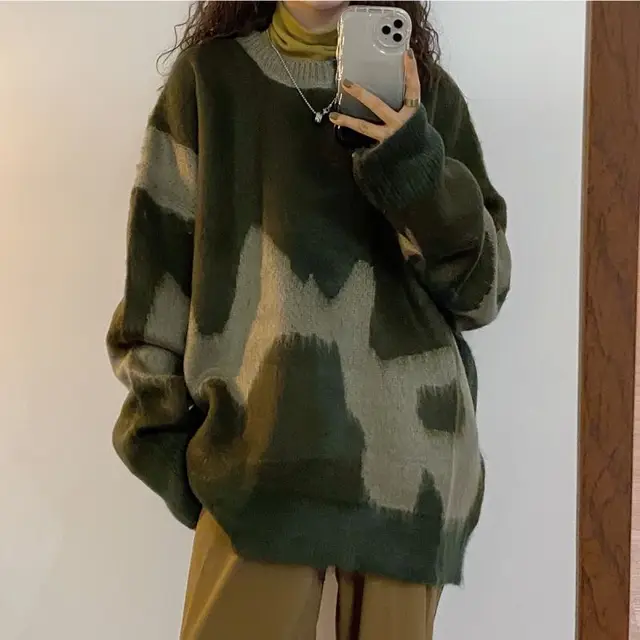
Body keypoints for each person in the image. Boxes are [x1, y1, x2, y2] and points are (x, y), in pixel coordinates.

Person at [106, 1, 511, 638]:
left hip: (407, 480)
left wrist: (410, 159)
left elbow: (481, 293)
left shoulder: (425, 95)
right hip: (255, 479)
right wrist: (181, 464)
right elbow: (154, 298)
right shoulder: (210, 84)